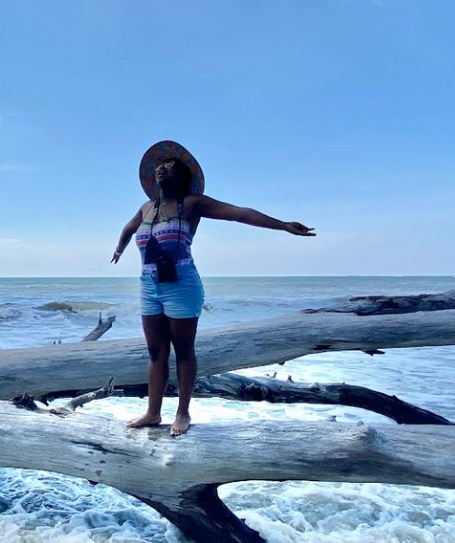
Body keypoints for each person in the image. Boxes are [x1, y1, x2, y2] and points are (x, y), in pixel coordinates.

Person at [110, 140, 315, 436]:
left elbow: (240, 213)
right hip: (149, 286)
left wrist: (282, 225)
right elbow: (129, 228)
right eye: (159, 167)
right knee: (156, 353)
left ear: (184, 178)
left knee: (183, 351)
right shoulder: (146, 208)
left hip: (182, 286)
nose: (162, 170)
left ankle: (182, 413)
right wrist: (119, 248)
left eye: (170, 167)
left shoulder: (193, 205)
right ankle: (153, 413)